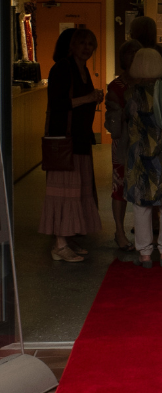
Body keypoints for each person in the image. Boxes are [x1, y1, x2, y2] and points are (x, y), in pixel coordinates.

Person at [38, 28, 103, 262]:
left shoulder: (83, 69)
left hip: (80, 139)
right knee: (63, 192)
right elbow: (57, 103)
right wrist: (88, 98)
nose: (87, 48)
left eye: (90, 44)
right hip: (64, 141)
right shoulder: (62, 68)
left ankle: (67, 237)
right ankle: (59, 243)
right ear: (72, 46)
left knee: (77, 190)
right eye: (82, 43)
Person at [124, 48, 162, 268]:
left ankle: (145, 255)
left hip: (140, 154)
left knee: (141, 204)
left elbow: (128, 118)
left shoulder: (131, 93)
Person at [104, 39, 142, 252]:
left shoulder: (148, 82)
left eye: (138, 53)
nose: (134, 57)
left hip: (144, 143)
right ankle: (119, 231)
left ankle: (141, 229)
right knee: (119, 187)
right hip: (123, 143)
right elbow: (116, 117)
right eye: (130, 53)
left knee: (141, 186)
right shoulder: (116, 86)